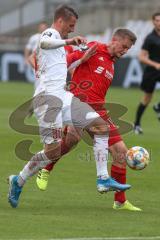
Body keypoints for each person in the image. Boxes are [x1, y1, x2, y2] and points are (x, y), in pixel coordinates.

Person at [8, 5, 130, 208]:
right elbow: (45, 42)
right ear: (61, 21)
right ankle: (18, 180)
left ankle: (102, 179)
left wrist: (82, 60)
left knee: (101, 127)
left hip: (63, 97)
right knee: (53, 152)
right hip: (47, 100)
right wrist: (69, 41)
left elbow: (62, 67)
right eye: (71, 25)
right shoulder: (51, 33)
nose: (72, 29)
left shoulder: (58, 49)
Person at [36, 28, 141, 211]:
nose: (125, 51)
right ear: (114, 40)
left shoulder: (111, 62)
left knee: (120, 152)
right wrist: (77, 58)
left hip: (99, 110)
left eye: (128, 49)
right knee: (71, 140)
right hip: (78, 105)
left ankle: (120, 201)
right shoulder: (94, 47)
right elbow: (66, 61)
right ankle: (45, 168)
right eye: (124, 46)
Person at [134, 12, 160, 134]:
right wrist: (155, 65)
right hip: (152, 71)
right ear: (153, 22)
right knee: (146, 98)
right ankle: (137, 124)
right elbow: (142, 57)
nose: (159, 23)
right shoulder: (150, 38)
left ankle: (158, 106)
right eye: (157, 20)